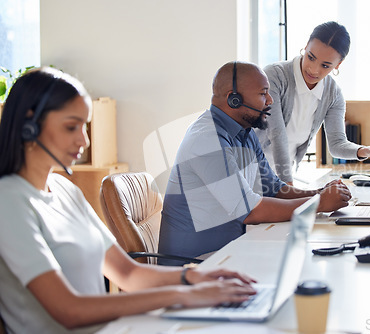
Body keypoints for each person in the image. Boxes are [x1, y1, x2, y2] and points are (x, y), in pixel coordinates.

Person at [0, 67, 257, 334]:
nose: (84, 141)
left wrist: (192, 276)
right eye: (71, 127)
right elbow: (69, 311)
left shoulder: (65, 190)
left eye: (84, 127)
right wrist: (183, 295)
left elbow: (127, 273)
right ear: (30, 125)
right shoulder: (9, 202)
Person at [158, 61, 352, 265]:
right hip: (194, 264)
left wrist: (319, 193)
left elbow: (273, 188)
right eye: (263, 93)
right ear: (233, 98)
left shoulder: (245, 133)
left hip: (226, 252)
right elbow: (250, 211)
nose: (270, 100)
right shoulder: (208, 139)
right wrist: (318, 203)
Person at [255, 21, 370, 184]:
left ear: (338, 64)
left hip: (282, 179)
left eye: (325, 65)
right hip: (252, 174)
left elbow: (337, 144)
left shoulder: (333, 94)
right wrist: (288, 186)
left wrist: (362, 150)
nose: (314, 70)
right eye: (311, 57)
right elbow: (276, 133)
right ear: (306, 45)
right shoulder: (275, 75)